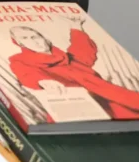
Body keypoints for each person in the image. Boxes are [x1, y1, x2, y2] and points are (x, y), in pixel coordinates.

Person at [9, 17, 139, 118]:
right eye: (25, 38)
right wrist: (43, 81)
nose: (33, 41)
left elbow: (83, 52)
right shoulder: (20, 61)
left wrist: (76, 27)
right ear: (20, 43)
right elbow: (26, 74)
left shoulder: (67, 59)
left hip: (111, 100)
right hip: (76, 109)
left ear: (44, 38)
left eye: (35, 36)